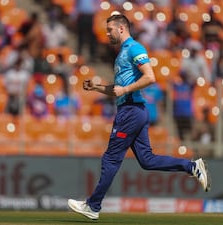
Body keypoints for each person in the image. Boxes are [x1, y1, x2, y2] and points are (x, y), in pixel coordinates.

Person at [67, 14, 210, 220]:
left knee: (111, 158)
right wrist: (97, 87)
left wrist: (125, 89)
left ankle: (93, 205)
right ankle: (192, 167)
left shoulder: (134, 48)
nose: (107, 34)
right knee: (147, 160)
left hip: (131, 111)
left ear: (122, 29)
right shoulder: (122, 53)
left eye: (110, 30)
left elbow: (150, 77)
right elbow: (118, 90)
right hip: (134, 110)